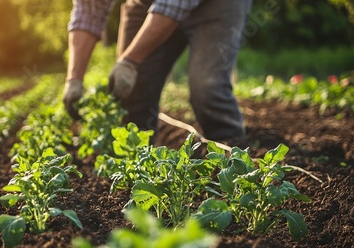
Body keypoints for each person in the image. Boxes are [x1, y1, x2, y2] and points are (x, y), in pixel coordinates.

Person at [63, 0, 253, 144]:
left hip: (218, 5)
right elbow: (88, 9)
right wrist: (74, 78)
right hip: (148, 3)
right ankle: (136, 167)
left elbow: (174, 4)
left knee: (207, 88)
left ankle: (233, 158)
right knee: (132, 92)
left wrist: (129, 62)